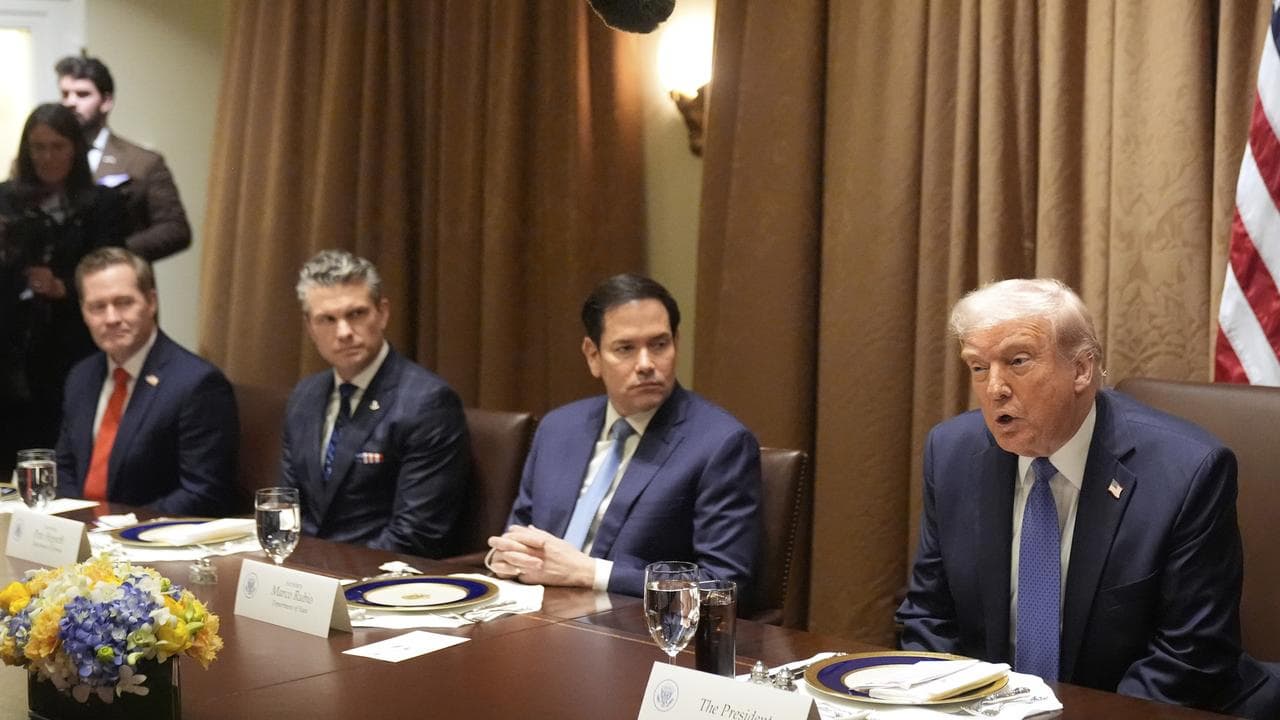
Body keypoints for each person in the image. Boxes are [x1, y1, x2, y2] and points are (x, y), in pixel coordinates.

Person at [895, 278, 1279, 718]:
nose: (994, 388)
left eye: (1017, 361)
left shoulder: (1188, 472)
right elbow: (928, 615)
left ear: (1081, 370)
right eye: (979, 367)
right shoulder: (952, 453)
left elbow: (1190, 656)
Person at [487, 274, 761, 597]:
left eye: (659, 345)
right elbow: (517, 534)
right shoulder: (557, 428)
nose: (646, 364)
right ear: (593, 355)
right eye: (626, 349)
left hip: (629, 632)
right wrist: (504, 557)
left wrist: (590, 573)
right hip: (531, 615)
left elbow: (722, 585)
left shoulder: (720, 444)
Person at [281, 249, 470, 557]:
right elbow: (288, 508)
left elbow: (415, 535)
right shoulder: (305, 396)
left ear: (382, 313)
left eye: (356, 314)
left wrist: (325, 577)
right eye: (327, 319)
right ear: (309, 327)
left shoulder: (428, 403)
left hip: (382, 581)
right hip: (306, 579)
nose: (343, 332)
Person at [55, 247, 237, 515]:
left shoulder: (197, 384)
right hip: (84, 541)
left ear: (151, 302)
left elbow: (203, 492)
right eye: (97, 307)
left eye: (124, 302)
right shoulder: (81, 376)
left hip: (150, 541)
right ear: (83, 312)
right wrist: (76, 521)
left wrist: (118, 527)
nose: (111, 318)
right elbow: (65, 467)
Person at [0, 103, 127, 477]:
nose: (47, 157)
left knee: (64, 453)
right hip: (12, 347)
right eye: (38, 147)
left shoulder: (101, 204)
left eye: (57, 146)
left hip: (72, 344)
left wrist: (64, 286)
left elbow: (113, 266)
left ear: (74, 149)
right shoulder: (6, 199)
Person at [56, 55, 191, 261]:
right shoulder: (42, 159)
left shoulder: (142, 162)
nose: (71, 102)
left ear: (106, 101)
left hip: (121, 278)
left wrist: (116, 251)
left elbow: (175, 229)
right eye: (65, 94)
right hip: (56, 285)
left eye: (82, 94)